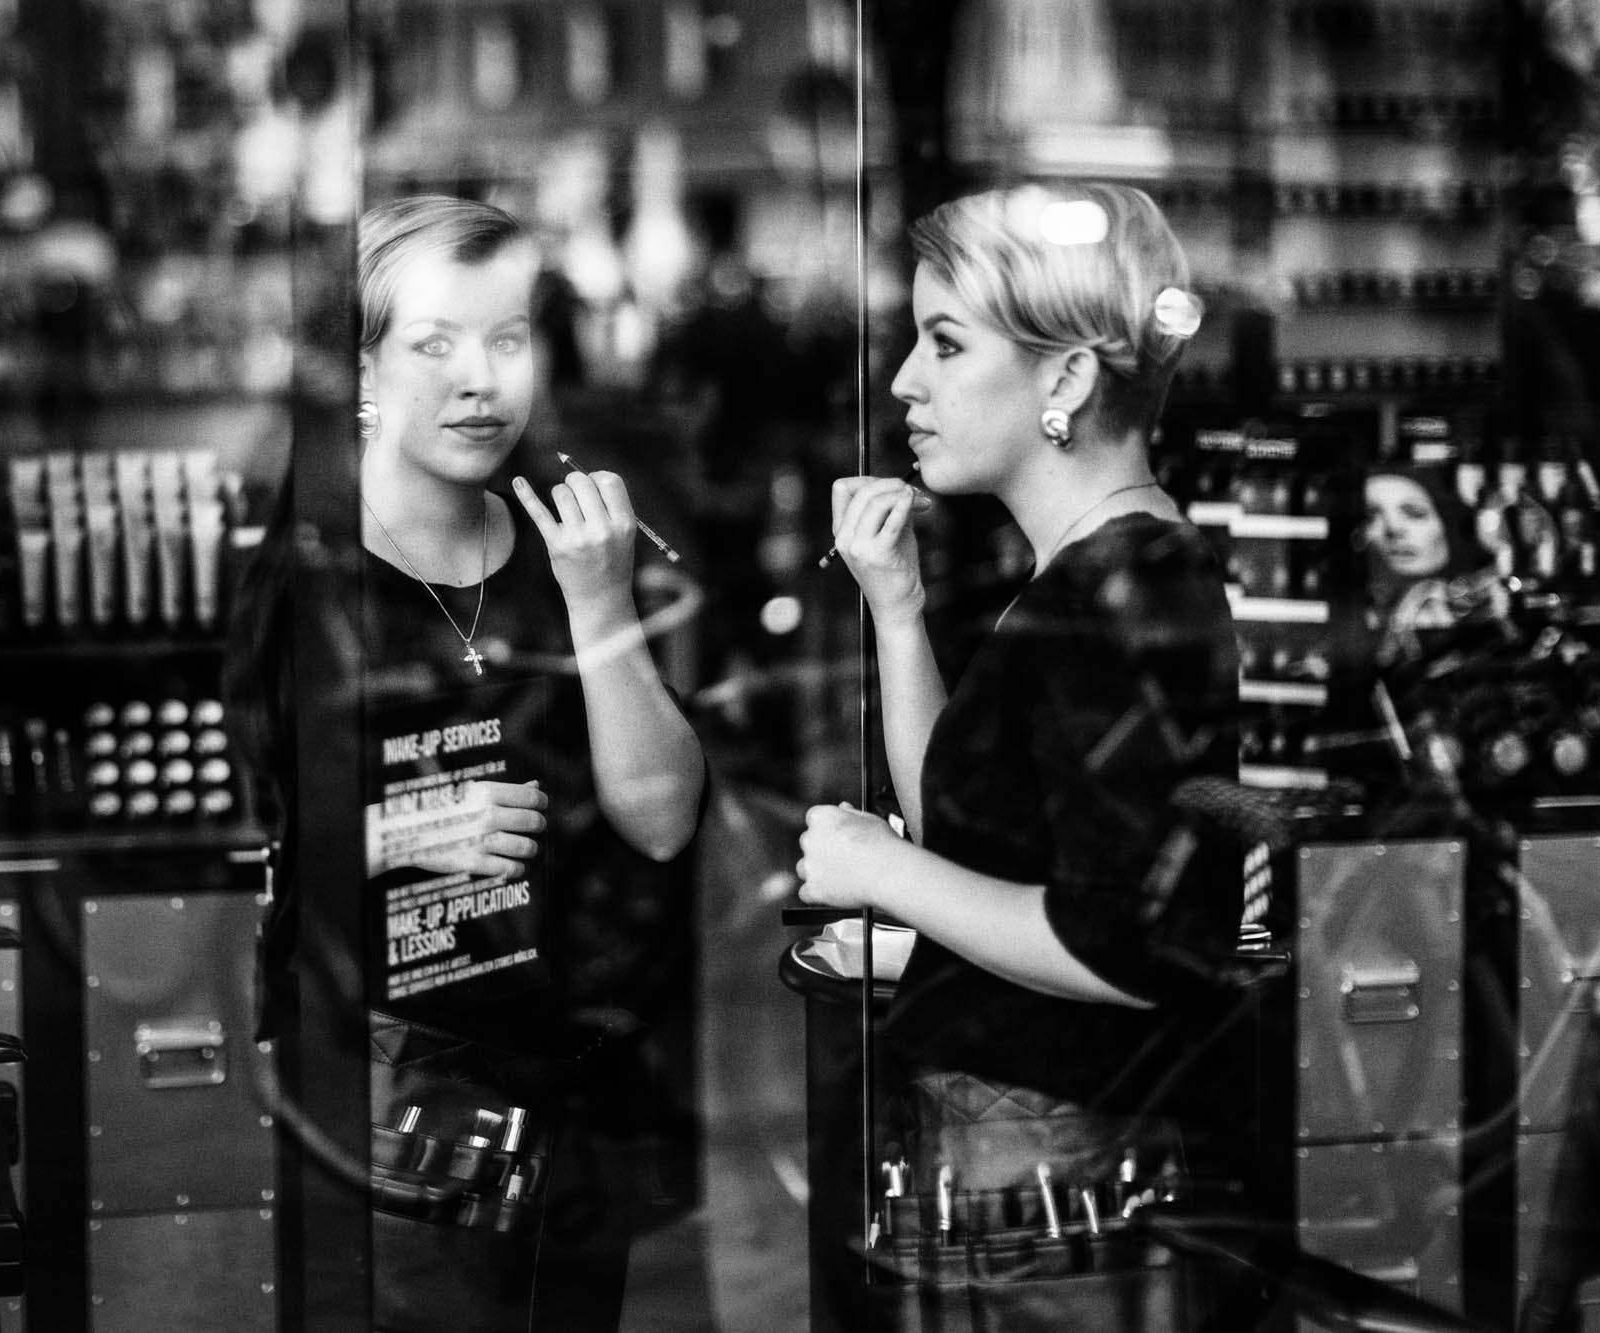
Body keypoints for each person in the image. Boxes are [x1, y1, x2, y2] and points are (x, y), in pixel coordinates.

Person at [227, 194, 705, 1333]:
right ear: (363, 370)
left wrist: (599, 608)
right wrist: (393, 833)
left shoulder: (566, 551)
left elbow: (662, 818)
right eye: (433, 344)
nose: (478, 379)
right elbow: (223, 851)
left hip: (580, 1087)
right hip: (393, 1102)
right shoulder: (309, 577)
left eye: (506, 337)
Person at [794, 182, 1250, 1206]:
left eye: (944, 343)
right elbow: (971, 839)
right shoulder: (1086, 572)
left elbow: (1126, 946)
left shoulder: (1119, 590)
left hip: (1054, 1172)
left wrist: (880, 872)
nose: (905, 380)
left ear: (1069, 376)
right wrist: (897, 612)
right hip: (1026, 1155)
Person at [1363, 464, 1505, 663]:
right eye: (1371, 516)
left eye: (1414, 512)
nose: (1392, 529)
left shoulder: (1488, 600)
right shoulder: (1370, 612)